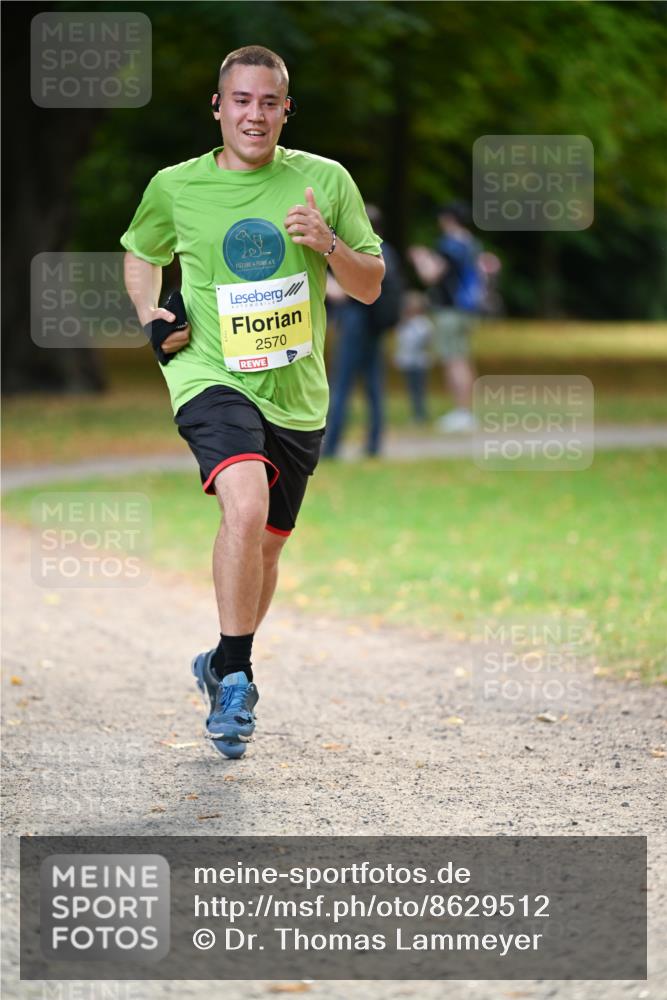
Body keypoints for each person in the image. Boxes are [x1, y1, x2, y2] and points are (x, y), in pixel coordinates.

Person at [121, 45, 384, 758]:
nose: (254, 114)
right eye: (240, 100)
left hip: (297, 393)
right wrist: (151, 316)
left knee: (265, 546)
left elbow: (369, 285)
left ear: (285, 109)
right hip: (211, 372)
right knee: (244, 504)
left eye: (268, 101)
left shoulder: (324, 181)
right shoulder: (176, 186)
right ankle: (235, 677)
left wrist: (327, 243)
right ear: (218, 107)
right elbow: (142, 252)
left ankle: (218, 658)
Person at [321, 206, 403, 458]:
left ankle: (332, 445)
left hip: (356, 321)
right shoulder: (386, 252)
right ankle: (374, 444)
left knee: (341, 384)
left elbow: (350, 291)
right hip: (375, 326)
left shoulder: (363, 253)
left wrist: (329, 284)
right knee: (373, 386)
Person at [409, 202, 482, 432]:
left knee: (454, 360)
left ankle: (462, 413)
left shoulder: (449, 245)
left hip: (450, 310)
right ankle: (466, 411)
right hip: (468, 309)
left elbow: (430, 276)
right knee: (463, 358)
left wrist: (420, 258)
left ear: (448, 219)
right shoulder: (471, 243)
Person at [393, 290, 433, 423]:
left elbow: (424, 341)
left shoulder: (423, 324)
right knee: (412, 389)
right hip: (408, 362)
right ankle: (416, 413)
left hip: (420, 362)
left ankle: (421, 414)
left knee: (420, 389)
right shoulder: (403, 324)